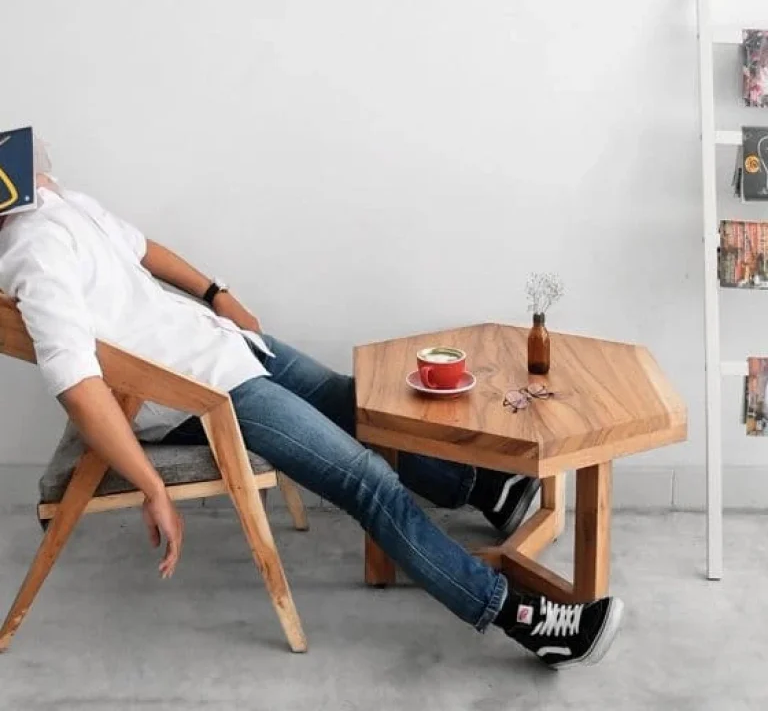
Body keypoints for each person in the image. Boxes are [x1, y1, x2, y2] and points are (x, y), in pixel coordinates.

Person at [0, 142, 623, 669]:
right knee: (369, 483)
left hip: (223, 345)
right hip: (202, 395)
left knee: (358, 403)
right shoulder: (33, 253)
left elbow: (143, 250)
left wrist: (220, 295)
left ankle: (484, 491)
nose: (37, 163)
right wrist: (150, 486)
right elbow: (77, 384)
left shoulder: (57, 202)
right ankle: (523, 619)